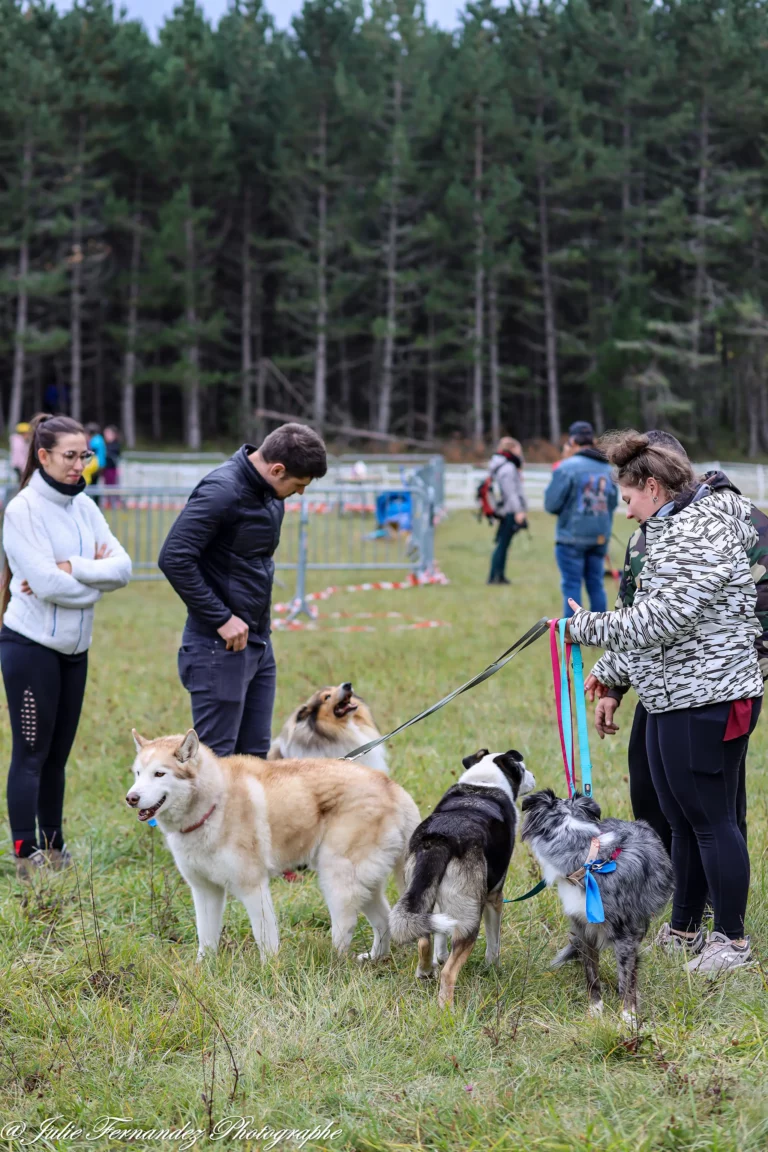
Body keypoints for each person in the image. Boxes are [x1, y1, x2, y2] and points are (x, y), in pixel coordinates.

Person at [565, 430, 763, 974]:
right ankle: (684, 929)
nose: (625, 513)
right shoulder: (670, 528)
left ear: (652, 487)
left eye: (628, 500)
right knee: (680, 821)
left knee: (710, 820)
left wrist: (582, 626)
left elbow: (662, 618)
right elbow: (651, 627)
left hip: (710, 695)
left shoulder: (698, 531)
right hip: (671, 692)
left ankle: (731, 941)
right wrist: (613, 672)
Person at [587, 431, 768, 857]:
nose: (628, 513)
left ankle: (717, 902)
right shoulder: (646, 534)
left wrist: (747, 665)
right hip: (662, 679)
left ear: (659, 477)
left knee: (715, 801)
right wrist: (614, 684)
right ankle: (673, 880)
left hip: (719, 684)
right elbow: (636, 614)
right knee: (653, 784)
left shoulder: (733, 521)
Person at [0, 414, 132, 881]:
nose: (80, 465)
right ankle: (24, 851)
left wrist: (72, 567)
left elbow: (123, 567)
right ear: (43, 457)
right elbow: (46, 584)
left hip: (76, 650)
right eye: (70, 456)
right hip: (30, 647)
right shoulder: (23, 510)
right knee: (31, 754)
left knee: (58, 755)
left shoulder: (85, 508)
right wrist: (89, 581)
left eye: (86, 455)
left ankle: (55, 844)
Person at [158, 423, 327, 759]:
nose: (301, 493)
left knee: (253, 761)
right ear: (277, 469)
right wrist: (221, 618)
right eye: (298, 485)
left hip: (258, 642)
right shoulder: (222, 490)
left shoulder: (268, 494)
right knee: (215, 765)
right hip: (217, 647)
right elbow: (174, 557)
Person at [544, 420, 618, 616]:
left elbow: (551, 504)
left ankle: (574, 633)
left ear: (572, 441)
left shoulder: (566, 467)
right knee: (596, 583)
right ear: (592, 440)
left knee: (572, 585)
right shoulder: (607, 469)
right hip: (599, 536)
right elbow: (612, 503)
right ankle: (601, 631)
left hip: (571, 536)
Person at [486, 437, 527, 585]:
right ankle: (494, 576)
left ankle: (499, 575)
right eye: (518, 450)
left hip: (505, 509)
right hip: (508, 510)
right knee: (502, 544)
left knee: (503, 543)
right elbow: (511, 493)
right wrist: (519, 511)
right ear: (510, 449)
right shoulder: (508, 468)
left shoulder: (503, 465)